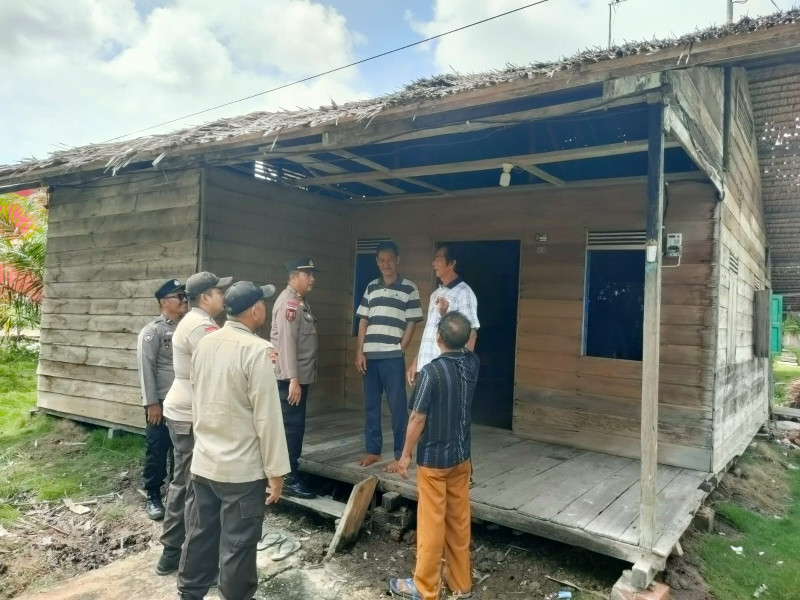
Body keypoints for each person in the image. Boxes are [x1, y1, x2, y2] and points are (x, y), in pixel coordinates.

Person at [177, 281, 287, 600]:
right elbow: (267, 418)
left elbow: (198, 401)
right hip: (242, 471)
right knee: (238, 546)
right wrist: (276, 472)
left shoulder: (205, 345)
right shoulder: (257, 351)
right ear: (255, 311)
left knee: (200, 536)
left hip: (204, 463)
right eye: (263, 304)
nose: (264, 308)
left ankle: (189, 593)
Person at [390, 312, 479, 600]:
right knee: (459, 521)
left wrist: (405, 455)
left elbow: (416, 418)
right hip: (461, 457)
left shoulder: (431, 373)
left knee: (431, 525)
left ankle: (425, 588)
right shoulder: (472, 363)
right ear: (465, 340)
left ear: (438, 339)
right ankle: (461, 584)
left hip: (434, 461)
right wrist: (451, 322)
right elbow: (465, 339)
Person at [156, 271, 232, 576]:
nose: (223, 297)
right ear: (205, 297)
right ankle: (190, 560)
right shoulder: (201, 325)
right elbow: (221, 366)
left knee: (182, 483)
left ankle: (172, 553)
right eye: (218, 292)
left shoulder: (192, 321)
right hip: (190, 413)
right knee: (193, 487)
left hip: (182, 409)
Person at [355, 241, 423, 470]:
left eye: (390, 259)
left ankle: (399, 455)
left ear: (398, 260)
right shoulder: (371, 287)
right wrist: (360, 351)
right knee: (371, 406)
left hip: (392, 357)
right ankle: (373, 451)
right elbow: (363, 320)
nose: (386, 264)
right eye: (382, 260)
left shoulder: (409, 288)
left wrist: (401, 348)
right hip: (370, 357)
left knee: (397, 406)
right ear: (377, 262)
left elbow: (413, 321)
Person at [137, 278, 188, 520]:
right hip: (161, 405)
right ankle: (153, 495)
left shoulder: (187, 328)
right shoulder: (153, 331)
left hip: (182, 406)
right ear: (164, 302)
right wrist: (152, 404)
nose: (184, 300)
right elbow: (146, 369)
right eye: (179, 296)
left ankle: (175, 495)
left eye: (184, 296)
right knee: (157, 450)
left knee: (180, 452)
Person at [270, 258, 319, 499]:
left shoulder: (299, 302)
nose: (312, 279)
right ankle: (289, 478)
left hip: (295, 378)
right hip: (290, 380)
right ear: (293, 277)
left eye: (312, 274)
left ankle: (291, 472)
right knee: (291, 428)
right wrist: (293, 380)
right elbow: (287, 345)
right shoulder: (290, 304)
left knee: (294, 427)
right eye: (307, 274)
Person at [406, 245, 480, 387]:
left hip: (447, 372)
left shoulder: (464, 293)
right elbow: (430, 333)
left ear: (452, 263)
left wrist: (463, 371)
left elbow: (471, 333)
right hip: (427, 368)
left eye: (438, 258)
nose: (434, 264)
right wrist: (417, 362)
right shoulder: (436, 294)